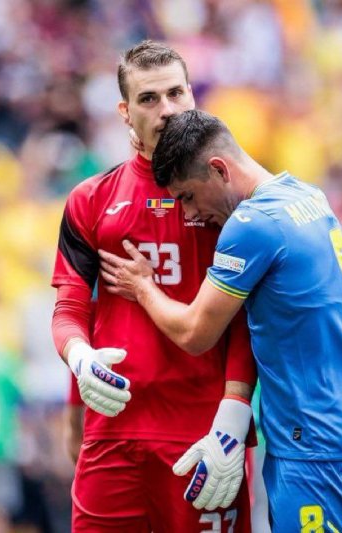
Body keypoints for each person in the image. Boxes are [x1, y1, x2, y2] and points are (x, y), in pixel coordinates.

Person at [99, 109, 342, 532]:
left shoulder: (253, 225)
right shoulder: (306, 197)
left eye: (188, 197)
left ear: (218, 169)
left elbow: (196, 333)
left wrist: (143, 286)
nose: (190, 214)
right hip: (336, 431)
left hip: (317, 444)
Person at [51, 41, 258, 531]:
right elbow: (69, 309)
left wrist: (232, 420)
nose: (166, 110)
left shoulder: (229, 196)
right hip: (114, 432)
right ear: (125, 112)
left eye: (177, 93)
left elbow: (248, 321)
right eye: (149, 99)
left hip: (202, 436)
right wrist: (80, 363)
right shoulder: (91, 200)